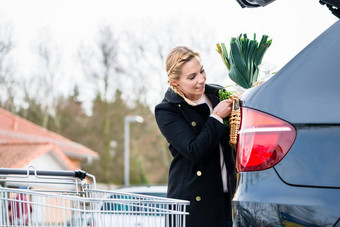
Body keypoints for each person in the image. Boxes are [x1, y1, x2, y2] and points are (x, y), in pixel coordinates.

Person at [154, 46, 236, 227]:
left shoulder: (217, 94)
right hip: (193, 202)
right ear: (174, 82)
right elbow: (195, 150)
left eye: (202, 71)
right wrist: (216, 117)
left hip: (228, 196)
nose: (201, 80)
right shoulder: (167, 110)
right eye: (192, 77)